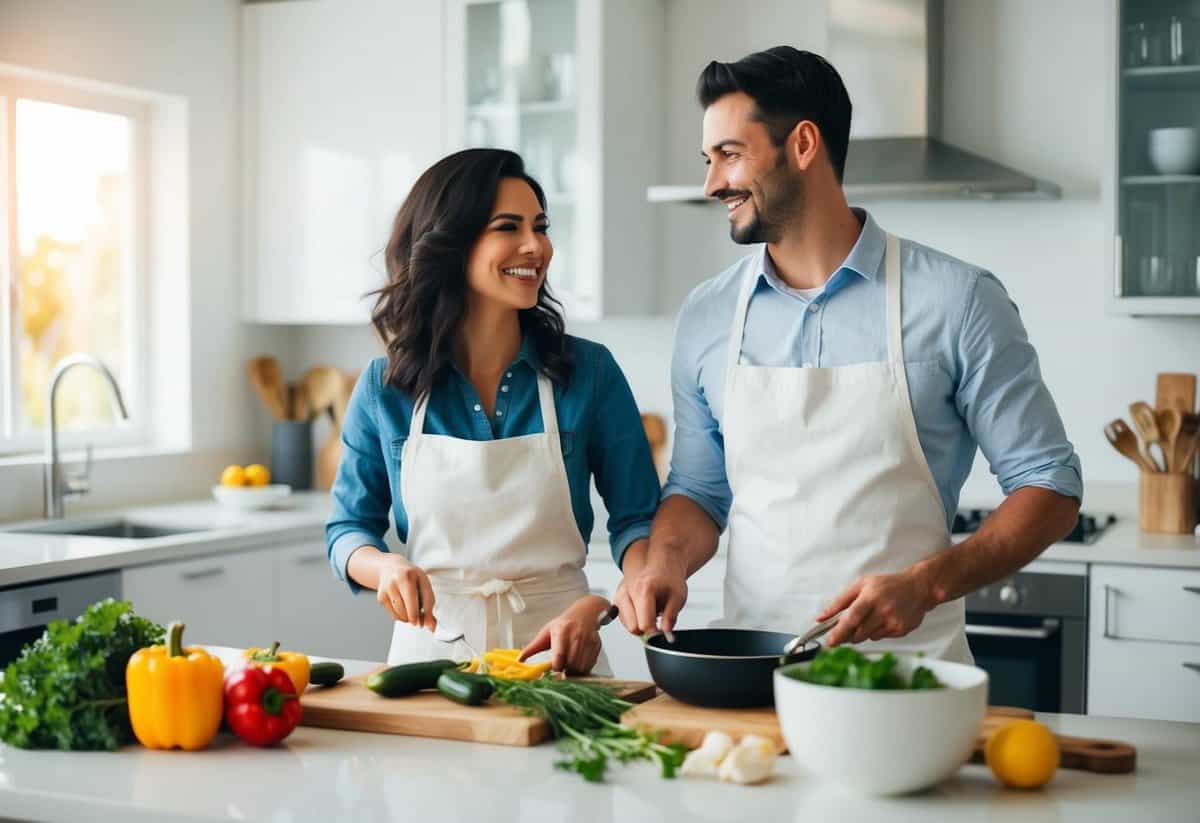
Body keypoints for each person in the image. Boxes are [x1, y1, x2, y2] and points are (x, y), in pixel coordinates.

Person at [614, 47, 1082, 662]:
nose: (711, 183)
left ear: (803, 144)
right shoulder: (707, 315)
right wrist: (664, 559)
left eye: (729, 154)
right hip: (754, 673)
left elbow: (1049, 485)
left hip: (907, 679)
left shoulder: (956, 300)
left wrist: (927, 584)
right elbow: (698, 491)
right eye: (708, 160)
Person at [326, 148, 659, 673]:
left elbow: (638, 520)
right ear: (451, 243)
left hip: (560, 660)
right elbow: (346, 531)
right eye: (509, 226)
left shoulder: (588, 372)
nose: (536, 246)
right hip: (432, 663)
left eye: (541, 226)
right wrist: (383, 567)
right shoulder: (384, 387)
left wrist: (616, 596)